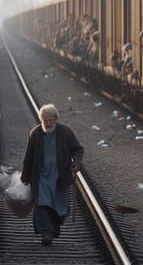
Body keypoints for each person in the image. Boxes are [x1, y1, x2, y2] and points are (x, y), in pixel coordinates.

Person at [21, 104, 84, 246]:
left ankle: (52, 230)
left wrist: (77, 162)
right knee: (42, 204)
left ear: (55, 119)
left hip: (59, 177)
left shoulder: (65, 132)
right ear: (41, 120)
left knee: (56, 206)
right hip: (40, 177)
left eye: (50, 120)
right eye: (45, 120)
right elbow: (28, 158)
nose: (48, 123)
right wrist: (25, 178)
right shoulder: (35, 134)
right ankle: (46, 233)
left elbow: (78, 149)